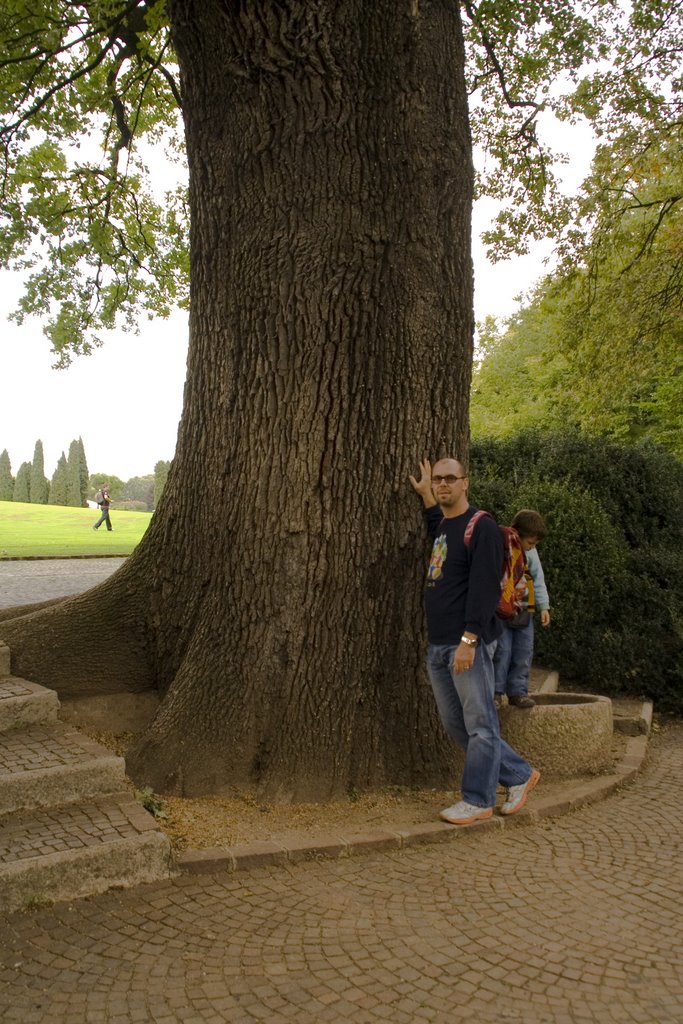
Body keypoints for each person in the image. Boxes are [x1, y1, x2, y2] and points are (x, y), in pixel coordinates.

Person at [409, 457, 540, 825]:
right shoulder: (446, 525)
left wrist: (469, 640)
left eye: (450, 478)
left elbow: (483, 589)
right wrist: (426, 498)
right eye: (438, 479)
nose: (443, 484)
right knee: (457, 724)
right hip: (439, 643)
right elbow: (439, 524)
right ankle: (518, 774)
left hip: (468, 643)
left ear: (465, 482)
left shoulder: (481, 527)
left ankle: (478, 800)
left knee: (481, 724)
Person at [494, 509, 551, 710]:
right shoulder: (504, 548)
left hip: (525, 611)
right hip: (502, 610)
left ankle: (518, 691)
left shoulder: (531, 554)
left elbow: (538, 579)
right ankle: (497, 691)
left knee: (523, 652)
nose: (531, 547)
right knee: (503, 650)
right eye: (530, 543)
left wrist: (544, 606)